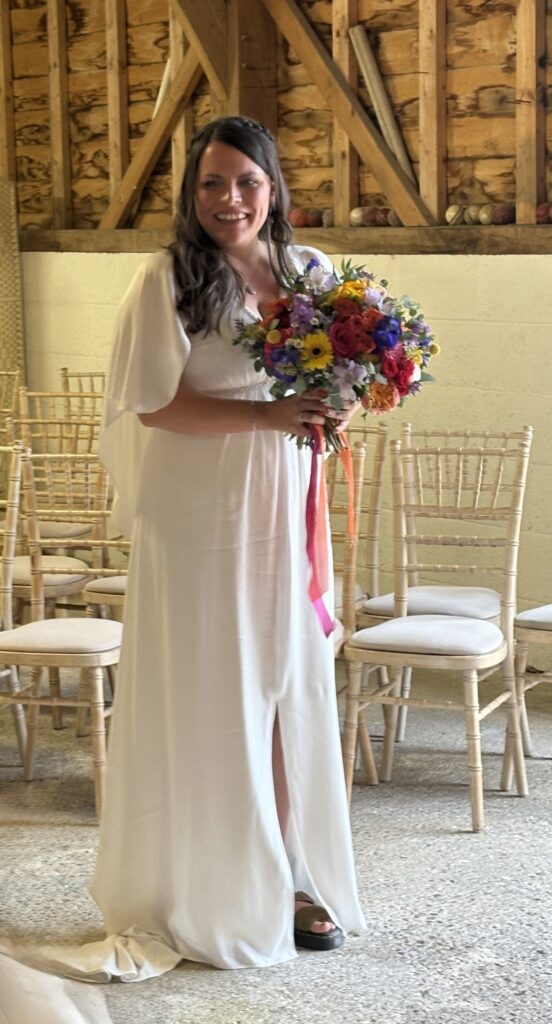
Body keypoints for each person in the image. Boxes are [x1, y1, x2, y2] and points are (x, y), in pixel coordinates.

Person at [5, 117, 365, 994]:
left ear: (272, 185)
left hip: (283, 498)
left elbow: (330, 378)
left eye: (245, 181)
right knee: (214, 688)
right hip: (198, 509)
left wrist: (333, 406)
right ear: (191, 196)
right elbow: (148, 405)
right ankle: (207, 884)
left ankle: (284, 877)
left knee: (285, 681)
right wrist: (263, 416)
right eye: (211, 185)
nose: (229, 200)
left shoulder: (312, 274)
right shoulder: (167, 279)